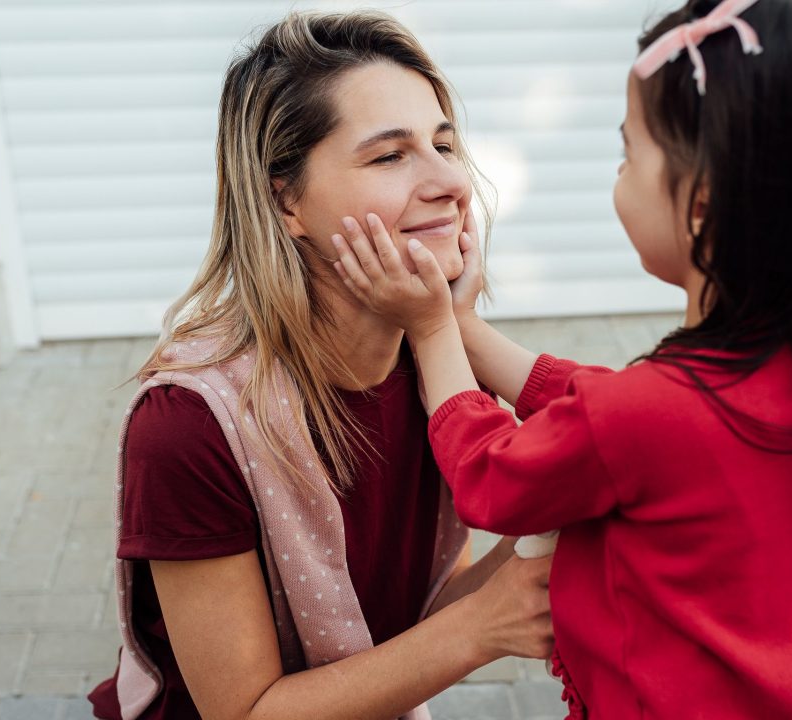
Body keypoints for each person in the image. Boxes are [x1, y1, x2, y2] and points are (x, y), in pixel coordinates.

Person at [329, 0, 792, 717]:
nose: (619, 171)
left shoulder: (652, 414)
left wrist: (430, 335)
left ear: (701, 201)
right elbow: (619, 412)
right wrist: (466, 332)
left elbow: (494, 476)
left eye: (628, 152)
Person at [88, 11, 554, 720]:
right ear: (287, 199)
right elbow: (244, 711)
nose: (450, 182)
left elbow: (419, 608)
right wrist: (482, 627)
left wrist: (550, 531)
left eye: (444, 143)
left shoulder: (437, 363)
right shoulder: (190, 425)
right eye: (389, 156)